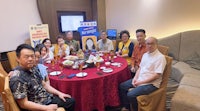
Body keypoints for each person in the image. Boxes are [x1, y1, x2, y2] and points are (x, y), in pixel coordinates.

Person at [9, 44, 75, 111]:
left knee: (70, 100)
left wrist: (59, 93)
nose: (30, 59)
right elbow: (23, 104)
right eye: (26, 57)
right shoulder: (17, 78)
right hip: (37, 106)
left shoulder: (33, 68)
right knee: (69, 103)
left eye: (32, 56)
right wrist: (46, 108)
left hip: (46, 98)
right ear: (18, 58)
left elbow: (44, 85)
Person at [119, 37, 166, 111]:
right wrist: (135, 78)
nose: (149, 46)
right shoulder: (145, 55)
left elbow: (157, 75)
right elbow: (140, 68)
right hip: (141, 79)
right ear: (145, 44)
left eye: (152, 44)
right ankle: (127, 107)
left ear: (156, 44)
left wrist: (140, 82)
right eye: (148, 44)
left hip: (151, 84)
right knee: (122, 86)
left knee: (131, 95)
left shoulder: (160, 57)